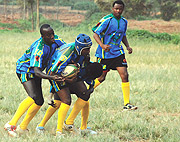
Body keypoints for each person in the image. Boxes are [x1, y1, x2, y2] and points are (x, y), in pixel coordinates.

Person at [4, 24, 65, 137]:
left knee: (39, 101)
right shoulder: (38, 48)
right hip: (25, 70)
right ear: (42, 36)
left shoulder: (56, 39)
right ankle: (11, 124)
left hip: (38, 72)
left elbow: (66, 49)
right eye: (49, 35)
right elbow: (37, 71)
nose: (52, 37)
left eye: (53, 33)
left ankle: (22, 127)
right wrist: (51, 77)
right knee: (33, 96)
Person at [42, 33, 102, 137]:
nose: (88, 51)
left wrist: (91, 85)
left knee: (85, 95)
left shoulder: (84, 54)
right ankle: (58, 131)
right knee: (64, 100)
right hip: (55, 75)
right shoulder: (66, 55)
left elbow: (87, 69)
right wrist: (67, 80)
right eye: (86, 49)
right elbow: (52, 73)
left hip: (70, 75)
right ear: (79, 48)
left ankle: (80, 127)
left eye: (89, 48)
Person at [92, 0, 138, 111]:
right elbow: (95, 33)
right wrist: (102, 45)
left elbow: (123, 35)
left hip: (118, 52)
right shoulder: (106, 20)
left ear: (123, 9)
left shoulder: (124, 21)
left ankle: (127, 104)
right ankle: (84, 91)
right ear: (113, 9)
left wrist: (127, 46)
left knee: (124, 75)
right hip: (104, 54)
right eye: (116, 9)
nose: (118, 11)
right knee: (101, 78)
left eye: (120, 9)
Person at [36, 62, 103, 135]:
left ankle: (82, 127)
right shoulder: (73, 66)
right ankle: (49, 128)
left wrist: (91, 88)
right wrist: (50, 94)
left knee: (85, 99)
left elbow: (90, 82)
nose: (88, 51)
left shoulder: (88, 68)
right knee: (58, 102)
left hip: (73, 80)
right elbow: (56, 80)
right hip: (62, 81)